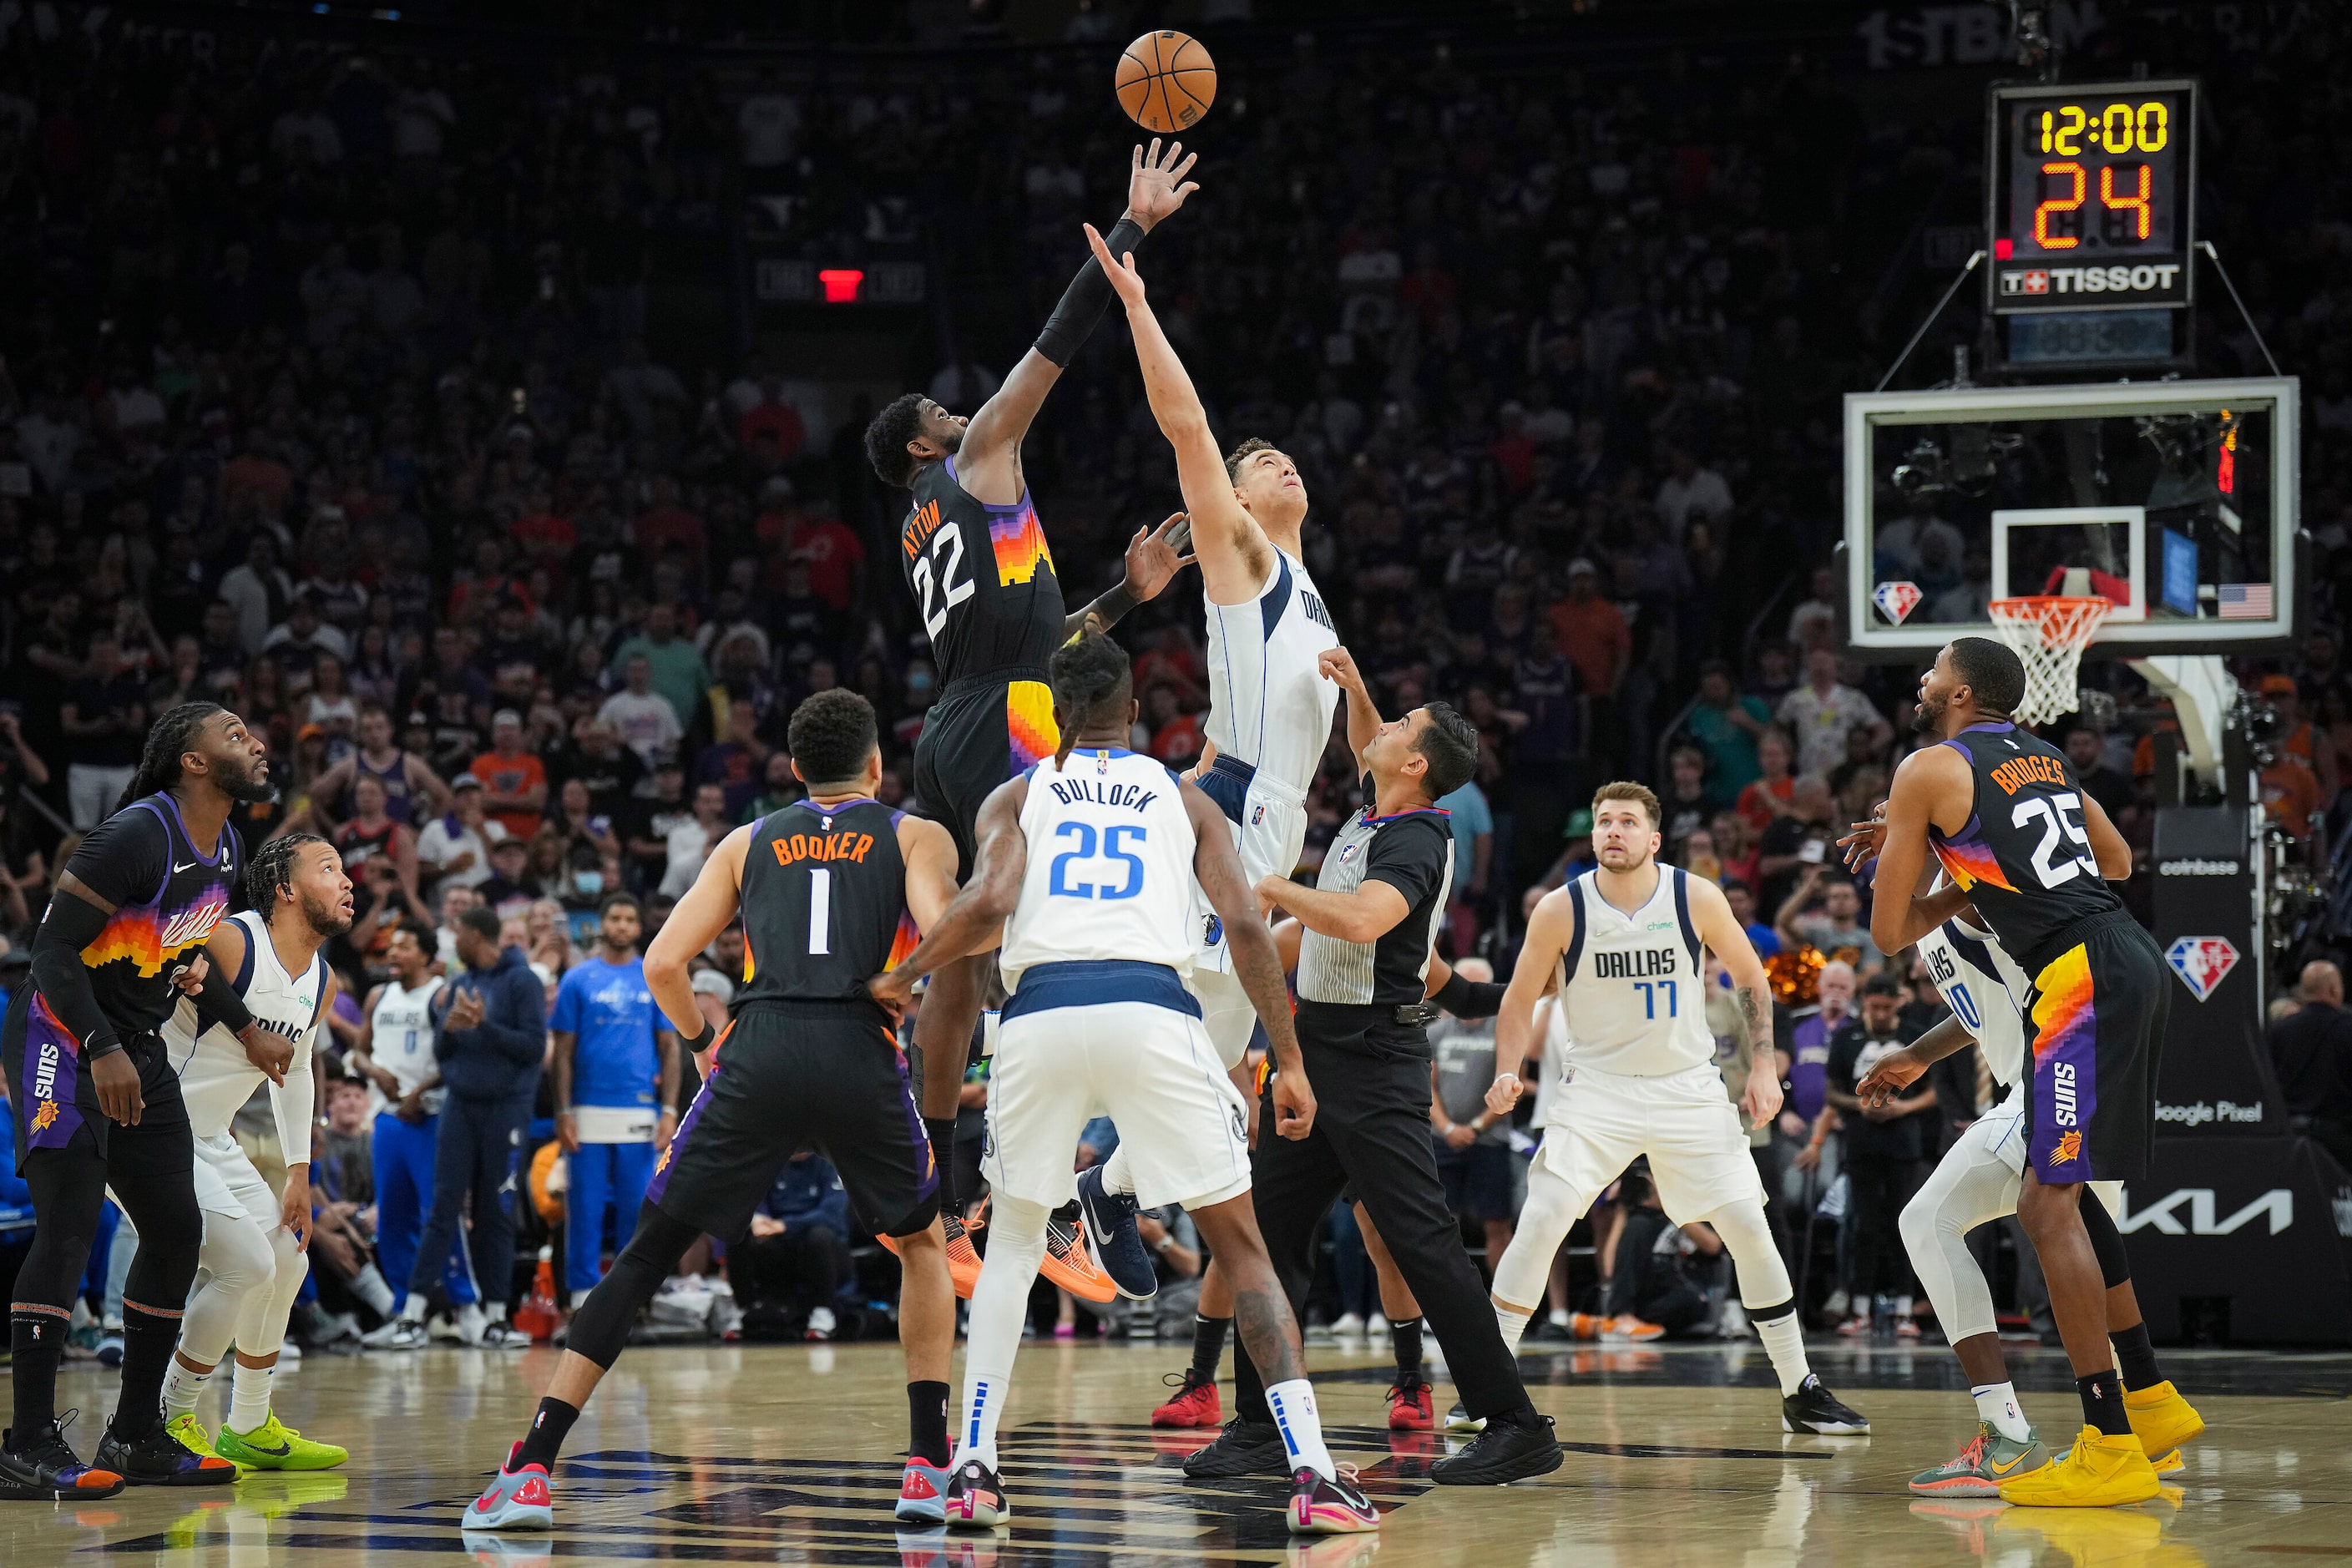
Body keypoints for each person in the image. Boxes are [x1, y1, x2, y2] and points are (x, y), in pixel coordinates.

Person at [867, 634, 1380, 1534]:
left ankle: (976, 1468)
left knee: (1015, 1243)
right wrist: (1289, 1058)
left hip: (1040, 1016)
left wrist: (904, 976)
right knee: (1242, 1246)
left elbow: (986, 906)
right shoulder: (1182, 798)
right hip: (1155, 1010)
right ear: (1133, 711)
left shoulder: (1016, 793)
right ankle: (1313, 1476)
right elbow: (1247, 928)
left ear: (1054, 717)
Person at [463, 688, 964, 1532]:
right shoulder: (914, 833)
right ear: (878, 767)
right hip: (858, 1045)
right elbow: (947, 931)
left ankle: (532, 1470)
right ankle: (925, 1468)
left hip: (759, 1045)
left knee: (647, 1254)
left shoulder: (746, 840)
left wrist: (703, 1044)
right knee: (921, 1244)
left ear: (796, 770)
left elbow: (665, 963)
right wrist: (897, 983)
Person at [861, 148, 1203, 1263]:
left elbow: (1032, 642)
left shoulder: (921, 517)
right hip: (1012, 718)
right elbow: (1048, 356)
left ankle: (947, 1185)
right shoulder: (976, 459)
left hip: (954, 723)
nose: (959, 408)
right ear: (923, 442)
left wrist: (1123, 596)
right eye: (937, 408)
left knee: (967, 955)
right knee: (1066, 927)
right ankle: (1062, 1184)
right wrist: (1131, 231)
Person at [1067, 221, 1354, 1340]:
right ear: (1226, 504)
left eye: (1285, 456)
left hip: (1276, 825)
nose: (1276, 458)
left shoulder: (1315, 592)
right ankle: (1039, 1179)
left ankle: (1103, 1189)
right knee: (1174, 1028)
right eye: (1254, 461)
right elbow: (1184, 422)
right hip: (1233, 808)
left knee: (1208, 1062)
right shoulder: (1242, 559)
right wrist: (1138, 305)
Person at [1186, 646, 1565, 1485]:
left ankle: (1515, 1422)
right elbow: (1371, 746)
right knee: (1268, 1238)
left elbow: (1361, 921)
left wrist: (1273, 890)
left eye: (1398, 726)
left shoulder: (1420, 839)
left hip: (1375, 1058)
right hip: (1315, 1052)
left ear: (1417, 764)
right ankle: (1259, 1426)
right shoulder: (1378, 810)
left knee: (1423, 1245)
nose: (1380, 731)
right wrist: (1360, 693)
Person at [1859, 635, 2180, 1506]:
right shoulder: (2038, 756)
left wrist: (1923, 857)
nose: (1922, 681)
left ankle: (2107, 1442)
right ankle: (2146, 1408)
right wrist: (1963, 859)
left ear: (1960, 692)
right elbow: (2114, 861)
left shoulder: (1926, 768)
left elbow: (1891, 934)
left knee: (2046, 1208)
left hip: (2077, 977)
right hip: (2129, 957)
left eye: (1932, 670)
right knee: (2060, 1202)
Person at [1484, 781, 1869, 1437]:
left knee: (1748, 1225)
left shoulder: (1692, 895)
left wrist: (1761, 1069)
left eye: (1627, 822)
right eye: (1603, 821)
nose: (1612, 831)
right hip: (1597, 1089)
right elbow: (1519, 999)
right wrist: (1505, 1071)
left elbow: (1752, 977)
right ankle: (1488, 1387)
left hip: (1685, 1087)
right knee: (1544, 1214)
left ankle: (1798, 1387)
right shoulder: (1560, 908)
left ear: (1653, 839)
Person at [2, 701, 280, 1496]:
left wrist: (246, 1025)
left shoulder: (227, 844)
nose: (254, 741)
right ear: (191, 762)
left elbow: (183, 954)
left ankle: (135, 1436)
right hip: (62, 1038)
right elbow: (50, 952)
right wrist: (102, 1047)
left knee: (176, 1231)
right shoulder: (135, 834)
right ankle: (24, 1444)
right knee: (66, 1230)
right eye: (233, 734)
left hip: (134, 1048)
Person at [1855, 884, 2205, 1495]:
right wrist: (1919, 1053)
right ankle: (2143, 1418)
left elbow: (1976, 892)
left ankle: (2008, 1436)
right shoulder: (1937, 905)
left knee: (1926, 1223)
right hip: (2080, 1082)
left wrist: (1924, 842)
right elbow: (1985, 1008)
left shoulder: (1969, 884)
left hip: (2049, 1080)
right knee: (2088, 1250)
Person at [154, 834, 352, 1469]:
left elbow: (296, 1072)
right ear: (286, 890)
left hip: (211, 1138)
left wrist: (299, 1171)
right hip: (151, 1133)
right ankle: (171, 1416)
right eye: (329, 869)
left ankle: (249, 1424)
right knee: (246, 1264)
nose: (348, 882)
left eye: (345, 870)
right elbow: (152, 968)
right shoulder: (234, 940)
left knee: (287, 1260)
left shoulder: (322, 980)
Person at [382, 904, 545, 1348]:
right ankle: (413, 1314)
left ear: (479, 937)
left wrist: (483, 1026)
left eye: (461, 938)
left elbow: (533, 1048)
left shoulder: (522, 981)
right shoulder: (463, 983)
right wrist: (452, 1029)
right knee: (442, 1208)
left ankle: (495, 1318)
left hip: (506, 1110)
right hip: (459, 1107)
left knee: (497, 1212)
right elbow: (445, 1051)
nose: (455, 947)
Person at [549, 894, 680, 1308]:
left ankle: (632, 1300)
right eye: (615, 918)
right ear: (601, 924)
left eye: (629, 919)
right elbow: (563, 1051)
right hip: (586, 1110)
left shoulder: (654, 976)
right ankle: (580, 1298)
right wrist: (563, 1110)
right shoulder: (577, 979)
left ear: (639, 927)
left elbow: (670, 1049)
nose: (622, 926)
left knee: (637, 1212)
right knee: (584, 1211)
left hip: (640, 1108)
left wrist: (670, 1109)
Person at [351, 922, 475, 1350]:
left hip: (431, 1116)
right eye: (390, 947)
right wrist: (376, 1073)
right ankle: (409, 1315)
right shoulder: (376, 996)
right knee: (395, 1217)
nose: (393, 954)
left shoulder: (442, 994)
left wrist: (421, 1092)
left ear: (426, 954)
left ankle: (465, 1308)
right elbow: (359, 1053)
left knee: (439, 1214)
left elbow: (459, 1056)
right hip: (388, 1118)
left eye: (403, 946)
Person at [1823, 973, 1930, 1338]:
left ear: (1898, 1003)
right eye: (1874, 1007)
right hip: (1862, 1140)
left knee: (1905, 1223)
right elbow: (1831, 1091)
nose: (1881, 1014)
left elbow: (1934, 1092)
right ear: (1864, 1003)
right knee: (1863, 1225)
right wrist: (1859, 1104)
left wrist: (1903, 1109)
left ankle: (1904, 1310)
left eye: (1887, 1007)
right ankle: (1859, 1309)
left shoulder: (1916, 1034)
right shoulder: (1847, 1037)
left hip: (1904, 1141)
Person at [2265, 959, 2352, 1171]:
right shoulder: (2347, 1027)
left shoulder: (2279, 1031)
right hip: (2341, 1140)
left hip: (2291, 1135)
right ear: (2334, 988)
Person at [307, 703, 451, 829]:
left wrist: (425, 834)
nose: (375, 734)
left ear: (390, 730)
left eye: (379, 727)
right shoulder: (350, 765)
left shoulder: (409, 764)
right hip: (360, 845)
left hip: (399, 844)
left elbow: (444, 797)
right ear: (360, 734)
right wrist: (335, 829)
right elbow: (313, 796)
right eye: (368, 729)